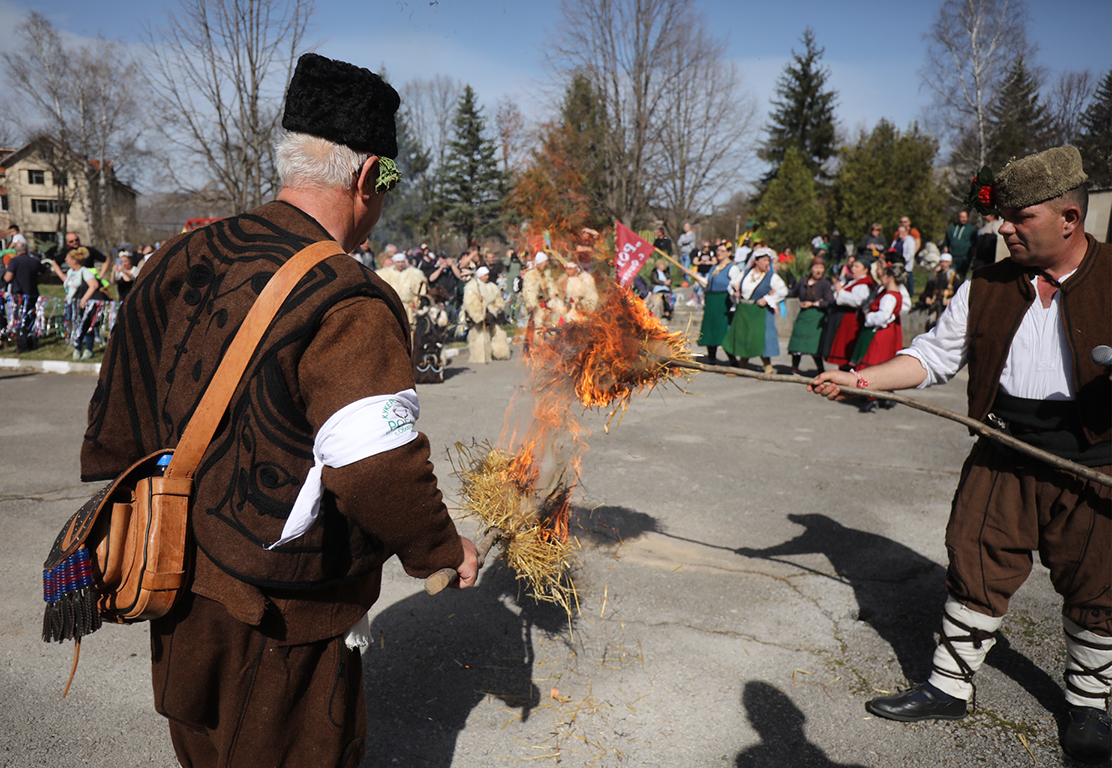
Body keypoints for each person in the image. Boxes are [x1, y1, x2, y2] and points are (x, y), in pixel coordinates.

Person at [79, 53, 478, 768]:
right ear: (365, 178)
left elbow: (119, 413)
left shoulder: (182, 253)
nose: (383, 199)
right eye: (387, 181)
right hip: (279, 621)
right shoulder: (345, 297)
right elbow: (377, 467)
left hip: (170, 582)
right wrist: (442, 550)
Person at [810, 145, 1110, 764]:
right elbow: (933, 358)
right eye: (1002, 215)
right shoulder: (987, 286)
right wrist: (859, 379)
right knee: (975, 561)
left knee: (1097, 581)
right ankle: (949, 687)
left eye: (1018, 217)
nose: (1003, 227)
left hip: (1094, 461)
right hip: (1002, 449)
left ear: (1069, 220)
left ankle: (1088, 705)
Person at [722, 250, 787, 374]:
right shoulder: (746, 274)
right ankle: (742, 367)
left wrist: (767, 299)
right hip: (744, 310)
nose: (766, 263)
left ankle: (768, 368)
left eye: (768, 261)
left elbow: (783, 291)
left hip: (760, 312)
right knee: (743, 336)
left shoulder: (771, 277)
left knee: (760, 338)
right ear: (756, 261)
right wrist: (735, 292)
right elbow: (732, 285)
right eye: (763, 260)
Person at [48, 248, 103, 360]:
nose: (65, 260)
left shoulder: (85, 271)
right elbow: (67, 283)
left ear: (74, 260)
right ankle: (77, 349)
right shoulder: (70, 272)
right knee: (76, 327)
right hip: (72, 303)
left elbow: (94, 285)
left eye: (67, 259)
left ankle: (88, 349)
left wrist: (84, 299)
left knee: (86, 326)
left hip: (83, 304)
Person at [823, 254, 876, 369]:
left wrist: (841, 292)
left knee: (848, 348)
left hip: (852, 319)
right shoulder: (853, 281)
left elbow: (859, 301)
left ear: (865, 270)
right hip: (844, 318)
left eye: (857, 266)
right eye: (852, 266)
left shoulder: (864, 283)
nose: (853, 269)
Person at [786, 258, 834, 375]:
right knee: (797, 344)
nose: (818, 270)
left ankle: (821, 371)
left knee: (814, 347)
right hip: (803, 317)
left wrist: (814, 303)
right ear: (811, 268)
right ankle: (794, 370)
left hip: (817, 318)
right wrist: (779, 290)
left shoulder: (825, 284)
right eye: (816, 267)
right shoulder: (803, 281)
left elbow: (830, 301)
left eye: (821, 268)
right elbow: (792, 293)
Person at [696, 243, 739, 364]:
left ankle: (733, 360)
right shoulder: (713, 267)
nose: (719, 253)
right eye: (718, 250)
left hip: (723, 300)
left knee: (722, 330)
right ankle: (711, 359)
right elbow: (707, 283)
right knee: (710, 328)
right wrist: (694, 275)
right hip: (711, 299)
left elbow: (735, 284)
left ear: (729, 253)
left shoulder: (732, 268)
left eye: (722, 251)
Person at [3, 241, 49, 351]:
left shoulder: (14, 261)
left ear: (16, 251)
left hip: (19, 295)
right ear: (27, 249)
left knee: (20, 319)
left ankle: (23, 345)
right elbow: (47, 271)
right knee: (32, 318)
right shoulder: (34, 261)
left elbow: (8, 278)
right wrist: (37, 280)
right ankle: (33, 342)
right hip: (33, 293)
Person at [463, 265, 510, 363]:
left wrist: (499, 305)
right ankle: (481, 356)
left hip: (493, 313)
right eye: (485, 275)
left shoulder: (492, 286)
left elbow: (498, 298)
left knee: (498, 332)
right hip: (481, 314)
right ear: (480, 276)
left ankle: (500, 352)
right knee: (481, 336)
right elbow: (470, 302)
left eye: (488, 275)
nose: (487, 277)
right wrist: (480, 307)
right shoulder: (472, 286)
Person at [376, 252, 428, 325]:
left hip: (408, 309)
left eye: (402, 262)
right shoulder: (384, 274)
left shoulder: (413, 274)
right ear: (394, 262)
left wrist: (417, 303)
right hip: (392, 308)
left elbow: (421, 290)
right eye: (398, 262)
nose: (400, 264)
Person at [919, 252, 962, 330]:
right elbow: (928, 290)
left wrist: (951, 299)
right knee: (931, 323)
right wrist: (927, 297)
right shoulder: (935, 275)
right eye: (942, 262)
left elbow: (960, 292)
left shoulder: (954, 276)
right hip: (936, 303)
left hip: (947, 305)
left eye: (946, 262)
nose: (943, 264)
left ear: (950, 263)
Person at [550, 259, 599, 324]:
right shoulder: (564, 279)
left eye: (570, 269)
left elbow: (591, 296)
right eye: (567, 269)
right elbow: (558, 292)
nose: (568, 271)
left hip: (581, 310)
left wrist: (583, 306)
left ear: (576, 269)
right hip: (568, 310)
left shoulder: (586, 279)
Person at [942, 209, 977, 277]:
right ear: (958, 217)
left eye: (965, 217)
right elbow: (946, 243)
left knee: (960, 276)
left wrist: (970, 256)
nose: (963, 219)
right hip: (952, 256)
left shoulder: (971, 230)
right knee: (950, 274)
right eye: (962, 217)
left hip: (964, 257)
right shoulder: (951, 229)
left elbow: (974, 244)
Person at [889, 224, 916, 294]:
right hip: (896, 264)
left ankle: (910, 294)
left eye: (902, 231)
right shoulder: (896, 240)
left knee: (908, 281)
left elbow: (910, 254)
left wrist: (903, 261)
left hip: (905, 265)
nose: (900, 233)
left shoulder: (910, 241)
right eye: (899, 231)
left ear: (906, 232)